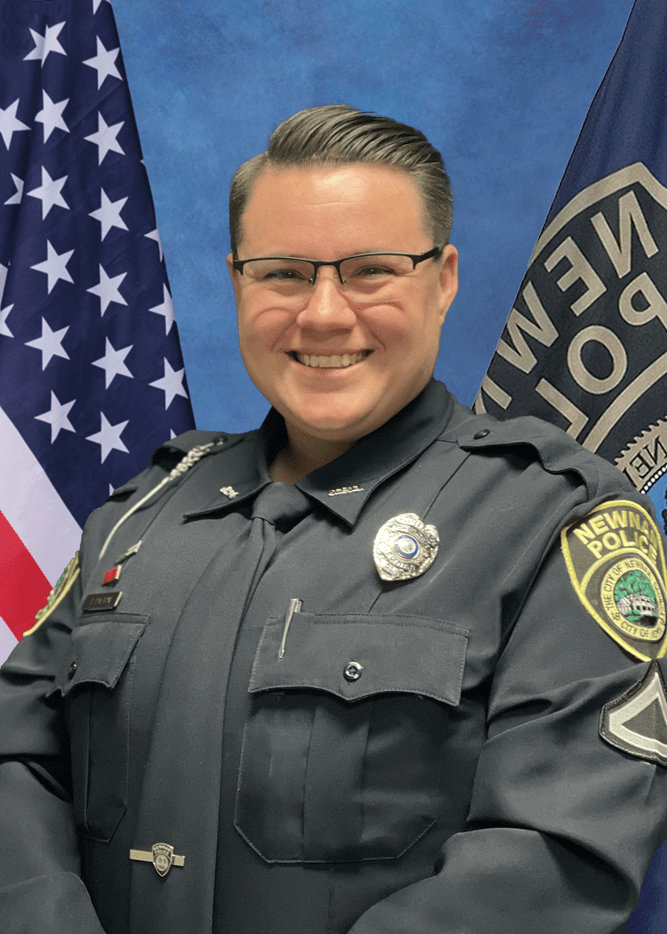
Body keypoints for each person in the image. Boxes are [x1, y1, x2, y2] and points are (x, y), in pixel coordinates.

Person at [1, 104, 667, 934]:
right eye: (282, 272)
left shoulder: (552, 519)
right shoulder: (140, 514)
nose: (322, 313)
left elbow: (554, 858)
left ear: (443, 281)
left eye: (370, 270)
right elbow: (16, 759)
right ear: (237, 281)